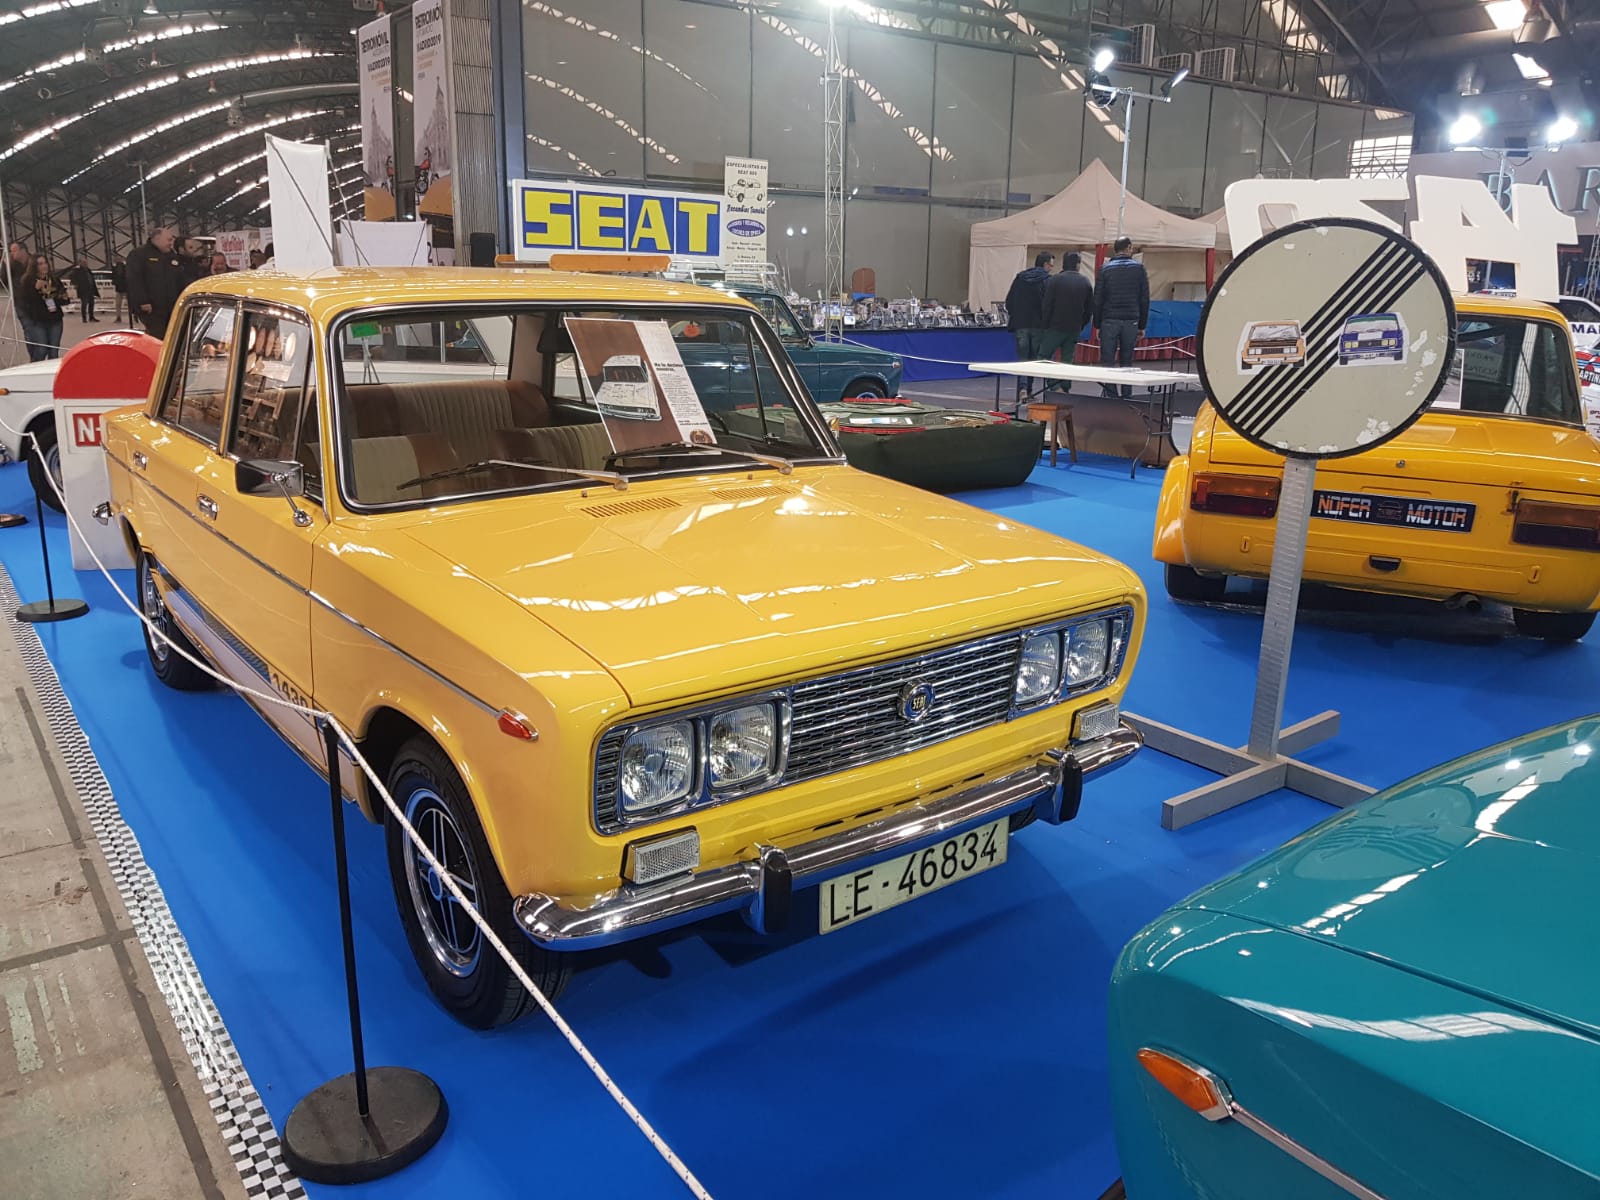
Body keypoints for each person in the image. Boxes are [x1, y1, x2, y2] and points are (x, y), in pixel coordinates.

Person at [1094, 236, 1150, 398]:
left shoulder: (1105, 269)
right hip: (1131, 320)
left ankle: (1111, 396)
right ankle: (1127, 397)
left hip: (1109, 320)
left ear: (1115, 249)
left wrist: (1097, 324)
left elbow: (1097, 299)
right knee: (1127, 362)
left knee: (1107, 362)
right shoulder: (1139, 269)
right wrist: (1142, 325)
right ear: (1129, 248)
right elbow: (1144, 299)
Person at [1039, 253, 1094, 393]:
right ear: (1078, 265)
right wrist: (1081, 325)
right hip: (1074, 327)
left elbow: (1047, 305)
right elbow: (1089, 309)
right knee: (1067, 361)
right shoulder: (1085, 282)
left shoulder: (1055, 280)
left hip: (1055, 327)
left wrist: (1045, 325)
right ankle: (1065, 388)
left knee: (1043, 357)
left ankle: (1054, 385)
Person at [1004, 250, 1054, 404]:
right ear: (1045, 264)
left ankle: (1023, 389)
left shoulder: (1020, 278)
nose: (1051, 268)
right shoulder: (1047, 281)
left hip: (1020, 324)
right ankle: (1029, 390)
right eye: (1051, 265)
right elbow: (1049, 305)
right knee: (1033, 359)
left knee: (1022, 359)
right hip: (1038, 325)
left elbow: (1009, 301)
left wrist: (1016, 315)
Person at [125, 227, 186, 339]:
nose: (171, 243)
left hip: (172, 307)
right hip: (152, 308)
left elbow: (179, 279)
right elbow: (135, 280)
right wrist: (143, 301)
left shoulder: (172, 256)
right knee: (157, 336)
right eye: (169, 240)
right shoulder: (139, 254)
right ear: (157, 238)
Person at [21, 253, 66, 361]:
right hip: (38, 321)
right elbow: (25, 302)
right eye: (40, 264)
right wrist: (35, 289)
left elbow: (62, 299)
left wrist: (63, 297)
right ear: (34, 267)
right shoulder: (28, 281)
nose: (44, 266)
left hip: (55, 319)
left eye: (45, 263)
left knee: (53, 351)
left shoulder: (54, 280)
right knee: (42, 350)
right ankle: (35, 367)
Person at [68, 258, 98, 323]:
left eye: (86, 262)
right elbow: (71, 277)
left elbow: (91, 279)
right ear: (80, 263)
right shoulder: (77, 270)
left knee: (91, 303)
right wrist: (76, 284)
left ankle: (91, 317)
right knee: (84, 304)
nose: (85, 264)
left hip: (90, 289)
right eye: (84, 262)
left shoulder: (88, 270)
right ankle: (84, 318)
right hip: (83, 290)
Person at [111, 253, 128, 324]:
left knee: (129, 303)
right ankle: (118, 317)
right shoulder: (115, 268)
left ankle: (134, 315)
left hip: (126, 288)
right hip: (119, 289)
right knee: (118, 304)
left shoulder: (126, 267)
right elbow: (114, 276)